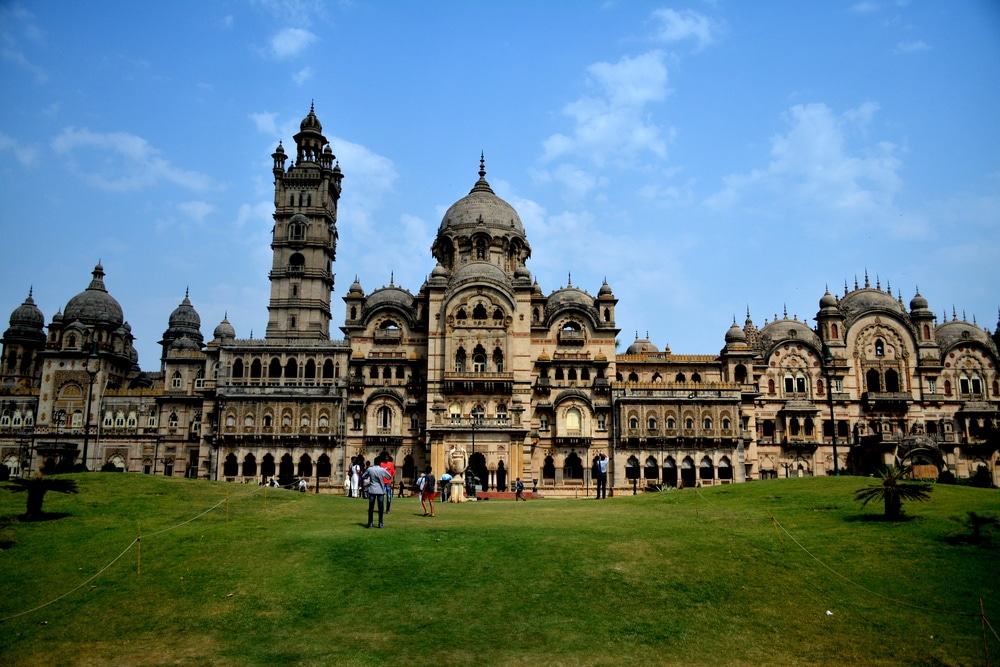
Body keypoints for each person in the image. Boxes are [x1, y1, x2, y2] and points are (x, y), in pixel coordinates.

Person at [362, 461, 393, 528]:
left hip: (372, 490)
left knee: (371, 508)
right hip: (380, 490)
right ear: (380, 463)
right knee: (381, 508)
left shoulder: (370, 469)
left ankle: (370, 524)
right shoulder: (382, 470)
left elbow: (363, 476)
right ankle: (380, 524)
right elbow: (389, 477)